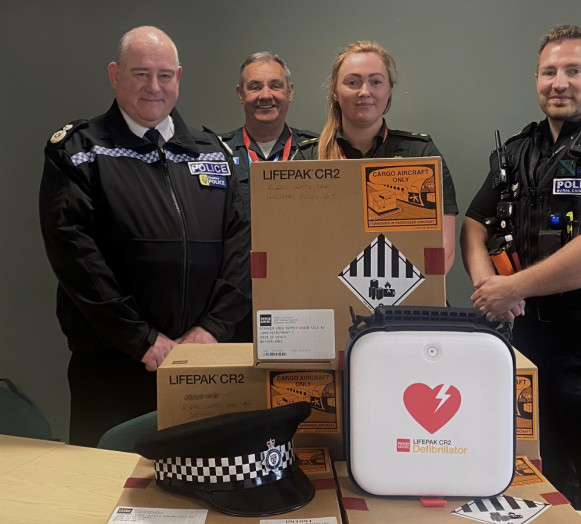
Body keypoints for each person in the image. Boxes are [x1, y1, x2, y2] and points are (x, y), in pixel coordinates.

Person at [461, 25, 581, 518]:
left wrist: (514, 286)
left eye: (574, 70)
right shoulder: (516, 152)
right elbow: (473, 226)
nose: (559, 82)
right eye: (550, 72)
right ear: (537, 79)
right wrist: (492, 288)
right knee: (534, 475)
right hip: (525, 337)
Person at [39, 26, 251, 447]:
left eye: (165, 75)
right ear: (115, 75)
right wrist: (144, 341)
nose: (154, 87)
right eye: (140, 74)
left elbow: (243, 249)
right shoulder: (78, 151)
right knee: (105, 495)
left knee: (198, 490)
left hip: (202, 364)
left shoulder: (214, 153)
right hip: (113, 365)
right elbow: (77, 258)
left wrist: (210, 331)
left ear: (179, 77)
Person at [297, 41, 459, 270]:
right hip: (328, 293)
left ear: (389, 89)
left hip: (405, 298)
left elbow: (444, 250)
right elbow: (293, 243)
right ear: (334, 90)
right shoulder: (306, 160)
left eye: (375, 82)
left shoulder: (421, 155)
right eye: (353, 82)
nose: (365, 92)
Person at [220, 52, 318, 342]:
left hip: (303, 298)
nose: (266, 95)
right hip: (233, 302)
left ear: (290, 92)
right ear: (240, 94)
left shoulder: (319, 153)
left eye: (275, 85)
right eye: (254, 86)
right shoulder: (217, 153)